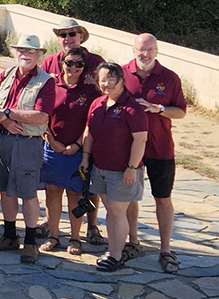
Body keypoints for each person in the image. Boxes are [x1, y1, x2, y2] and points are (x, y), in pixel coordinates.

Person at [0, 34, 56, 265]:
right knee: (4, 189)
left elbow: (42, 115)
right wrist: (3, 121)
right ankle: (9, 236)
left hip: (27, 143)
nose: (25, 54)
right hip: (1, 139)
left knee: (27, 192)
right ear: (15, 52)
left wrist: (7, 113)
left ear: (39, 54)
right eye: (21, 50)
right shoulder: (5, 75)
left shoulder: (46, 81)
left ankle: (31, 242)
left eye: (31, 51)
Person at [123, 33, 187, 273]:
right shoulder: (121, 74)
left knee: (163, 198)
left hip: (161, 149)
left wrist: (158, 109)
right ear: (133, 50)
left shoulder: (169, 78)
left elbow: (180, 112)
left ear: (157, 51)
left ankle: (165, 250)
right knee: (130, 198)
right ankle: (133, 242)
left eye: (150, 49)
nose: (145, 54)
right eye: (141, 50)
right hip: (129, 149)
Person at [80, 63, 149, 272]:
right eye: (102, 79)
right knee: (110, 210)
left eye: (111, 79)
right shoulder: (97, 103)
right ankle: (113, 248)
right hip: (100, 166)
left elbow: (140, 140)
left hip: (123, 170)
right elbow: (89, 133)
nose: (106, 84)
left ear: (121, 80)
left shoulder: (132, 108)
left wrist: (131, 167)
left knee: (117, 212)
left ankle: (116, 255)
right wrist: (85, 157)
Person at [40, 46, 97, 255]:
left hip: (77, 151)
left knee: (75, 194)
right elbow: (42, 115)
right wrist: (51, 140)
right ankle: (53, 235)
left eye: (79, 64)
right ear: (62, 63)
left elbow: (91, 123)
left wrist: (77, 145)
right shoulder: (50, 85)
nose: (73, 67)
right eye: (69, 63)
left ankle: (75, 238)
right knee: (52, 192)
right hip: (52, 148)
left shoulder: (91, 90)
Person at [41, 19, 105, 85]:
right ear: (59, 39)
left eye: (72, 34)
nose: (67, 38)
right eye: (63, 35)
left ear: (81, 37)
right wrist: (45, 80)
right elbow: (35, 85)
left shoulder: (96, 62)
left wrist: (98, 85)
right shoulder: (49, 62)